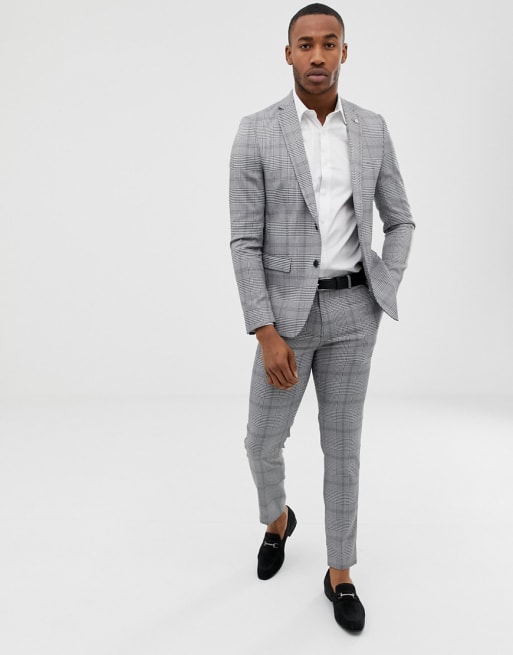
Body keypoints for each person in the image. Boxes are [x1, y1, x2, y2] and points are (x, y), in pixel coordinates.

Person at [229, 3, 414, 633]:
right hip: (284, 320)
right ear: (288, 54)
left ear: (343, 52)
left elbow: (401, 219)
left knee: (343, 449)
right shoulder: (256, 131)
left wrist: (384, 283)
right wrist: (265, 330)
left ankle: (340, 571)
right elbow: (244, 242)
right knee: (261, 440)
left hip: (354, 313)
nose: (316, 54)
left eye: (328, 43)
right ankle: (278, 519)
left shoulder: (372, 129)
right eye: (304, 44)